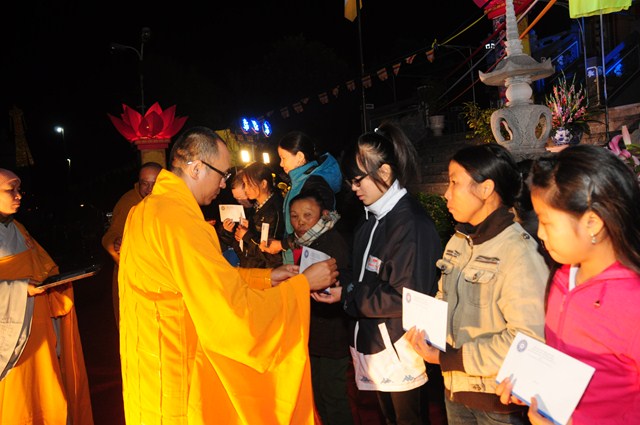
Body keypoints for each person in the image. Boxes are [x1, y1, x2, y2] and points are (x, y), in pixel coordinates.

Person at [117, 126, 339, 424]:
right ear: (196, 168)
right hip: (175, 371)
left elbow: (202, 280)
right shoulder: (178, 220)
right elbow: (228, 311)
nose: (224, 184)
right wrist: (302, 285)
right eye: (222, 174)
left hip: (148, 365)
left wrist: (267, 279)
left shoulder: (147, 210)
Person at [496, 144, 640, 424]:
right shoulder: (563, 276)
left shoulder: (631, 301)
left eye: (547, 222)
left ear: (592, 223)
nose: (540, 233)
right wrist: (531, 386)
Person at [406, 143, 549, 425]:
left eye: (454, 182)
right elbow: (445, 299)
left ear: (485, 189)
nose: (446, 194)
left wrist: (451, 359)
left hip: (498, 403)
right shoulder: (458, 242)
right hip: (455, 390)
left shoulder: (518, 252)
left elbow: (527, 340)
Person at [315, 122, 443, 425]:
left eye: (358, 180)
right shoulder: (371, 218)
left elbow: (405, 297)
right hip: (376, 345)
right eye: (351, 182)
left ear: (384, 172)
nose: (354, 188)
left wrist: (348, 295)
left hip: (402, 349)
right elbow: (361, 275)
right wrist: (337, 282)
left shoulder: (410, 224)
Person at [0, 168, 94, 424]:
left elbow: (43, 267)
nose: (19, 196)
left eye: (19, 190)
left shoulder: (17, 228)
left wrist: (57, 282)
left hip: (39, 330)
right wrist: (20, 288)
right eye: (11, 190)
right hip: (11, 341)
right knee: (17, 399)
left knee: (46, 393)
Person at [289, 190, 355, 425]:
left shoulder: (332, 242)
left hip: (333, 334)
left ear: (324, 214)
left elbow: (340, 286)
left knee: (332, 396)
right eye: (294, 216)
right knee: (320, 393)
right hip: (316, 333)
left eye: (308, 215)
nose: (300, 222)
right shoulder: (309, 242)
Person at [262, 130, 342, 264]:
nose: (281, 164)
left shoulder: (314, 183)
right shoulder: (298, 182)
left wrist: (283, 245)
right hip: (297, 257)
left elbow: (322, 225)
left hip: (310, 259)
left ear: (299, 156)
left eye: (283, 158)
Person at [101, 161, 162, 323]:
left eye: (154, 184)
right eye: (144, 184)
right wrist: (115, 242)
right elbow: (110, 235)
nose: (149, 189)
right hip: (135, 280)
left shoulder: (171, 201)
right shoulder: (129, 202)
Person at [222, 162, 284, 268]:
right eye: (244, 184)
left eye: (249, 184)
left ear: (263, 184)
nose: (246, 189)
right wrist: (238, 234)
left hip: (267, 271)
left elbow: (271, 252)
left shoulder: (274, 210)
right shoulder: (255, 207)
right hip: (252, 267)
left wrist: (246, 236)